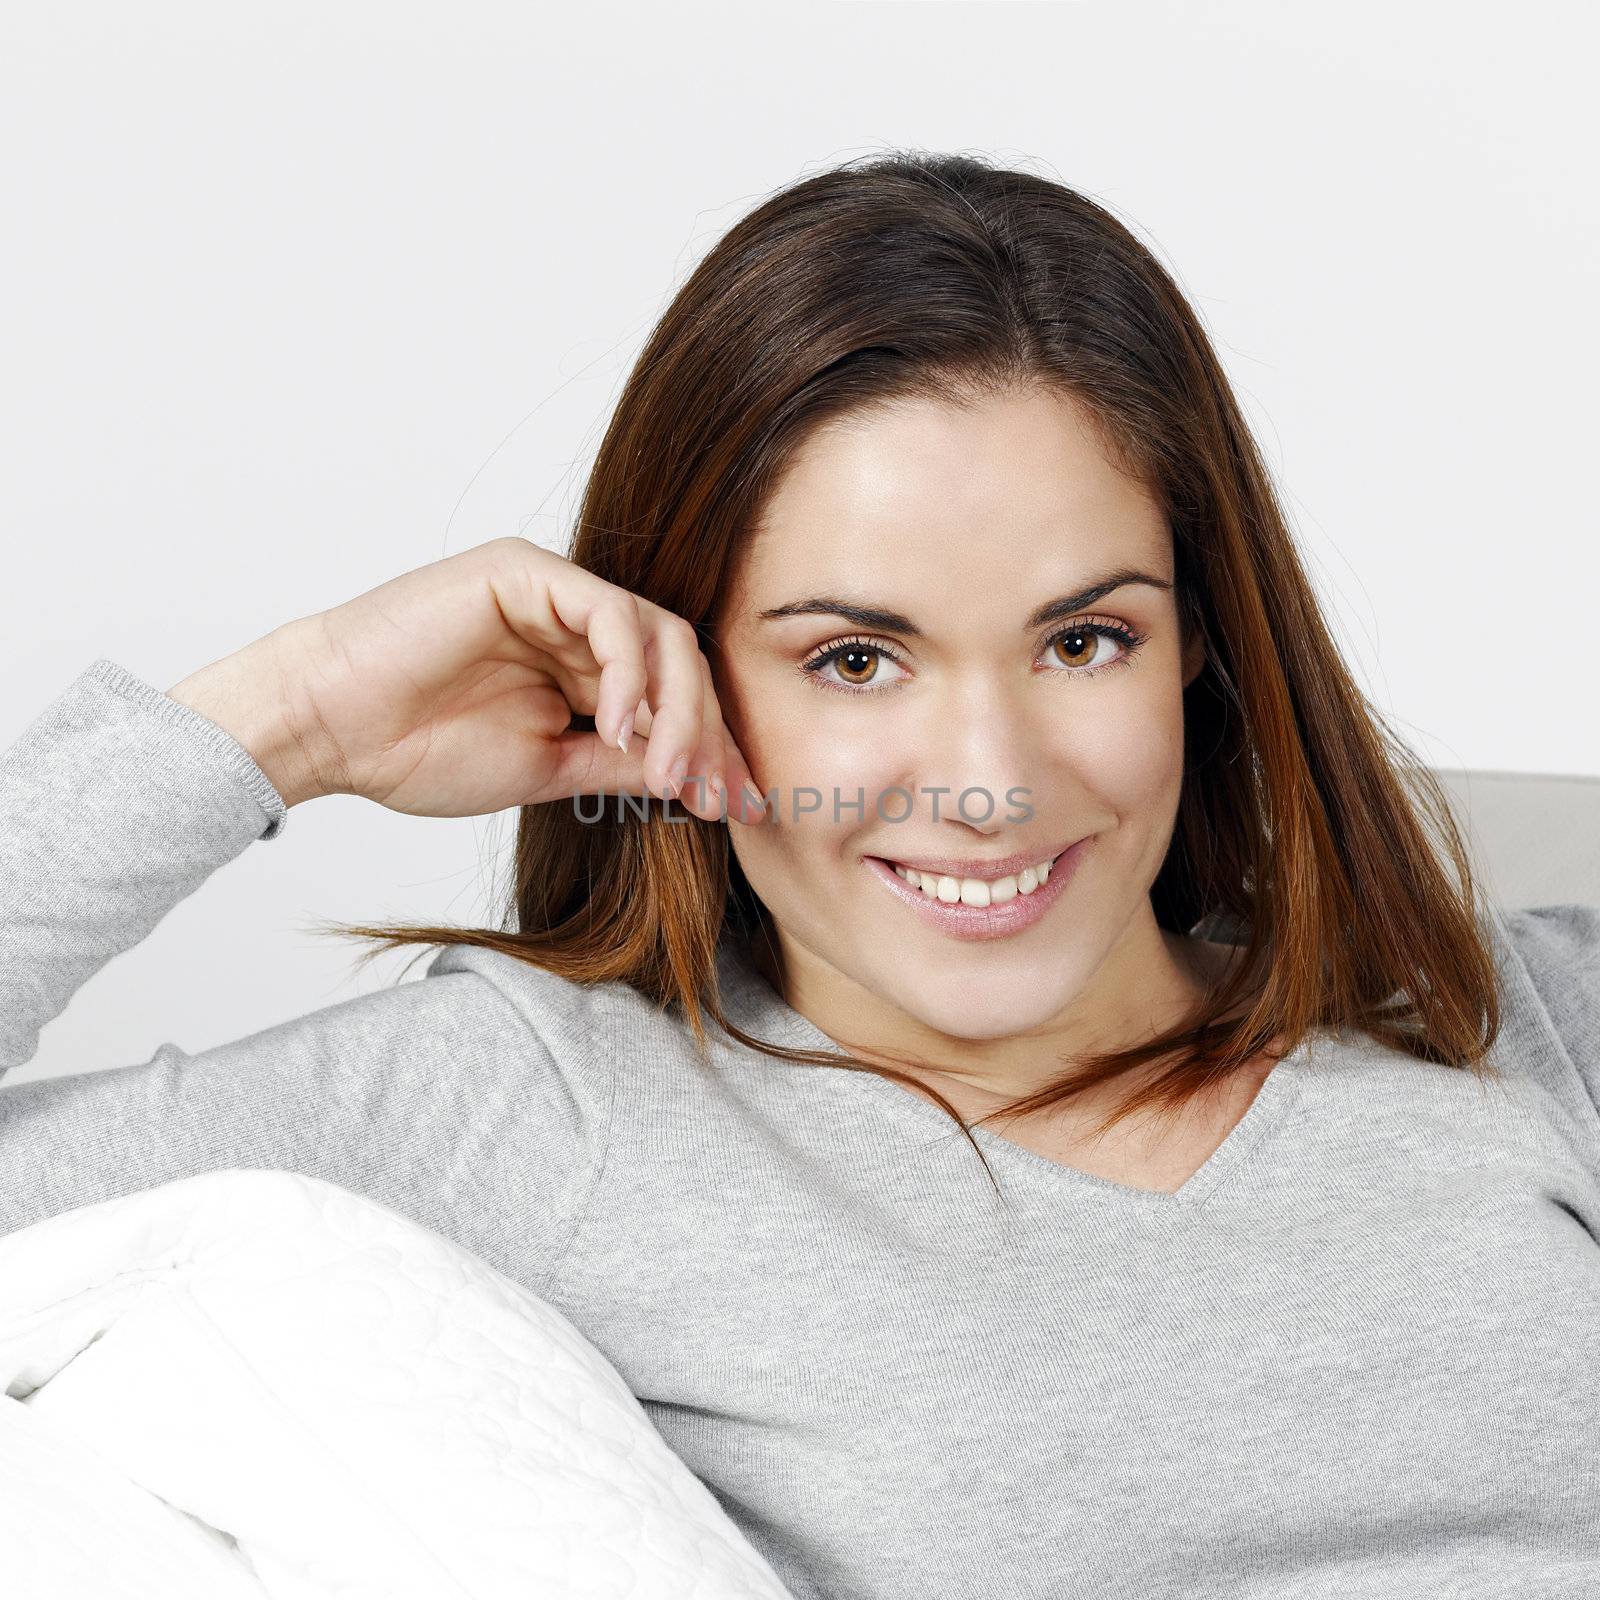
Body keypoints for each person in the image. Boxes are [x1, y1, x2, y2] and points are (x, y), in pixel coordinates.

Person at [4, 150, 1600, 1599]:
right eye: (855, 657)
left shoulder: (1512, 1012)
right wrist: (288, 716)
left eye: (1085, 638)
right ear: (679, 673)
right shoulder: (544, 1109)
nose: (990, 779)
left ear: (1203, 649)